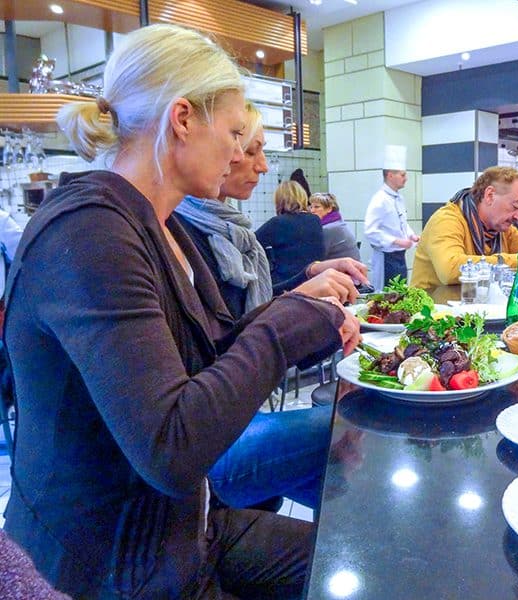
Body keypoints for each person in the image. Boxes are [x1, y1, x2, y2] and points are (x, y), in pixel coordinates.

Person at [3, 24, 360, 599]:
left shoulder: (162, 227)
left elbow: (213, 351)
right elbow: (171, 448)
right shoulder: (90, 231)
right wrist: (282, 329)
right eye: (236, 132)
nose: (243, 153)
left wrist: (300, 310)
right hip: (118, 570)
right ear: (183, 118)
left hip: (186, 532)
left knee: (363, 567)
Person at [173, 102, 368, 511]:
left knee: (352, 476)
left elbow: (243, 324)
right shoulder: (181, 234)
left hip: (233, 411)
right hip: (212, 439)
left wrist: (308, 282)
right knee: (360, 423)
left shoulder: (230, 230)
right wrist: (297, 303)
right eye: (247, 146)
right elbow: (224, 344)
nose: (261, 166)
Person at [411, 166, 518, 289]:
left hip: (476, 312)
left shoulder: (502, 229)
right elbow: (450, 269)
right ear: (489, 195)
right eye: (515, 206)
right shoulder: (446, 219)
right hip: (435, 317)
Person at [364, 145, 418, 289]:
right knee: (386, 298)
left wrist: (411, 235)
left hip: (399, 256)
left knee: (400, 294)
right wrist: (397, 241)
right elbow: (370, 231)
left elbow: (402, 222)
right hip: (386, 259)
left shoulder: (398, 198)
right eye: (402, 175)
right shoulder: (379, 199)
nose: (406, 179)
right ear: (390, 175)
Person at [255, 180, 326, 287]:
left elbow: (250, 243)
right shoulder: (315, 220)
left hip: (286, 283)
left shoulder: (277, 222)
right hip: (313, 280)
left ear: (279, 200)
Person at [309, 191, 360, 261]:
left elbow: (315, 256)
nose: (312, 210)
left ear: (329, 208)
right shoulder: (337, 223)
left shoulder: (328, 229)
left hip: (343, 270)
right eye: (311, 207)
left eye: (317, 207)